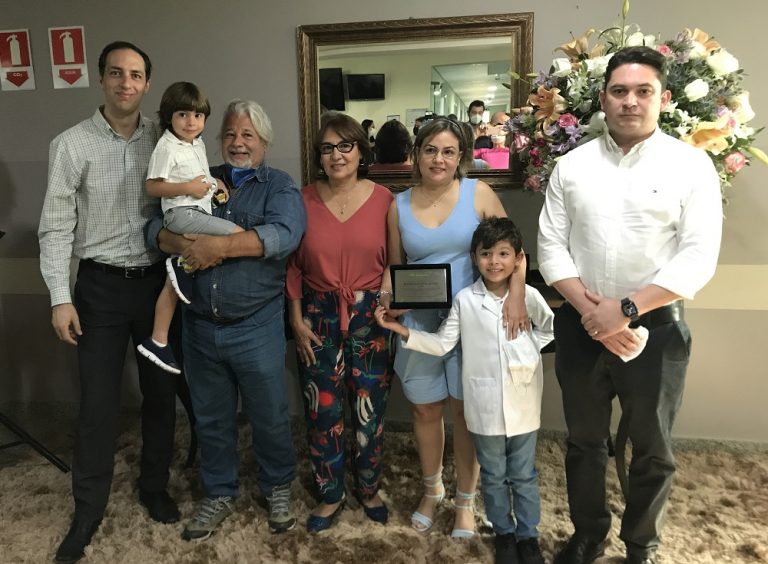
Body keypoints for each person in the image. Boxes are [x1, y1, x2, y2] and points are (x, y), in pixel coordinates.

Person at [537, 46, 722, 564]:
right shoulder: (572, 166)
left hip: (657, 329)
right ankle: (588, 534)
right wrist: (592, 312)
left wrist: (624, 311)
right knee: (584, 441)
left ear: (663, 98)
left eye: (643, 91)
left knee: (652, 446)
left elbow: (697, 257)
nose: (630, 101)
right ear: (603, 99)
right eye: (619, 91)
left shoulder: (691, 165)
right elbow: (551, 247)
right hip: (580, 326)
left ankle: (641, 544)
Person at [38, 41, 179, 564]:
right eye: (117, 73)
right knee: (97, 405)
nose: (126, 83)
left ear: (147, 83)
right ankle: (88, 508)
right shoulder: (70, 144)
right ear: (101, 79)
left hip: (156, 286)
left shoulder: (165, 140)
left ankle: (154, 486)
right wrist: (60, 298)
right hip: (98, 288)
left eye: (136, 75)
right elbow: (56, 227)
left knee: (160, 394)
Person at [147, 99, 307, 541]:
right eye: (231, 134)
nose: (238, 143)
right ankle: (218, 491)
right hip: (199, 325)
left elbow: (284, 235)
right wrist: (182, 243)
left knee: (269, 415)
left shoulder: (279, 185)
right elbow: (152, 228)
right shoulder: (199, 176)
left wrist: (218, 247)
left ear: (264, 142)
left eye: (248, 135)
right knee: (211, 417)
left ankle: (277, 486)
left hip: (256, 324)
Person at [381, 117, 529, 538]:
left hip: (473, 323)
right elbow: (394, 267)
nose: (439, 159)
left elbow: (515, 254)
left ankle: (465, 500)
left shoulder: (478, 193)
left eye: (448, 152)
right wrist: (388, 299)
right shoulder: (398, 205)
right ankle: (432, 491)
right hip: (420, 322)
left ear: (461, 156)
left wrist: (516, 297)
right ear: (416, 154)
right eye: (430, 150)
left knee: (466, 414)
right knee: (425, 409)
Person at [376, 217, 553, 564]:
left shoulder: (528, 297)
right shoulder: (465, 300)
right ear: (474, 257)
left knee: (523, 474)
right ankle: (504, 533)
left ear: (518, 258)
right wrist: (401, 330)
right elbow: (443, 343)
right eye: (486, 254)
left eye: (503, 254)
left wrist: (527, 351)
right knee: (494, 474)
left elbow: (548, 328)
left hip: (523, 404)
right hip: (483, 406)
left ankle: (528, 535)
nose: (494, 262)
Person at [286, 113, 394, 532]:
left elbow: (395, 261)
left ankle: (368, 488)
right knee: (322, 410)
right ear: (319, 156)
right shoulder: (301, 200)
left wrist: (385, 297)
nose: (337, 155)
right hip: (317, 315)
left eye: (345, 146)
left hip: (371, 316)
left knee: (370, 409)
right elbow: (293, 267)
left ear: (361, 150)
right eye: (328, 148)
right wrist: (296, 320)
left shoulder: (385, 200)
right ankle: (330, 494)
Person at [136, 81, 242, 374]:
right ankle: (181, 266)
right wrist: (190, 188)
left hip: (197, 210)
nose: (191, 122)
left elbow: (198, 177)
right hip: (181, 214)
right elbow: (153, 186)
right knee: (237, 235)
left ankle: (158, 340)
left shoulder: (197, 144)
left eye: (197, 115)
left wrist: (214, 184)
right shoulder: (167, 146)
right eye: (183, 114)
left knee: (173, 285)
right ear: (169, 116)